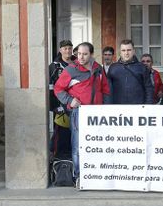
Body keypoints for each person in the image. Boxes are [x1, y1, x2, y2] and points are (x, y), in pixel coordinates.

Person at [54, 42, 110, 188]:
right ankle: (78, 176)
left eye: (85, 54)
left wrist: (107, 108)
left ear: (91, 54)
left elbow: (105, 89)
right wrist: (69, 100)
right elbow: (58, 89)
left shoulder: (98, 68)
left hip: (97, 114)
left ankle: (95, 174)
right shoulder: (71, 69)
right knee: (78, 146)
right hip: (79, 112)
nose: (81, 57)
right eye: (79, 54)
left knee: (97, 144)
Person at [49, 40, 76, 157]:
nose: (68, 51)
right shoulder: (54, 66)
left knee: (75, 131)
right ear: (60, 50)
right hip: (61, 106)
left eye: (70, 48)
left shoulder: (78, 63)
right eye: (65, 49)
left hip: (76, 103)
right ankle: (59, 158)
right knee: (61, 135)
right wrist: (54, 106)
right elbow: (50, 87)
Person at [107, 40, 154, 104]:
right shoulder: (113, 68)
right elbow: (108, 90)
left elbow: (149, 89)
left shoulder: (142, 67)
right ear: (120, 52)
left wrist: (147, 106)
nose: (126, 53)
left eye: (129, 50)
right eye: (123, 50)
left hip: (138, 108)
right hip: (118, 108)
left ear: (134, 51)